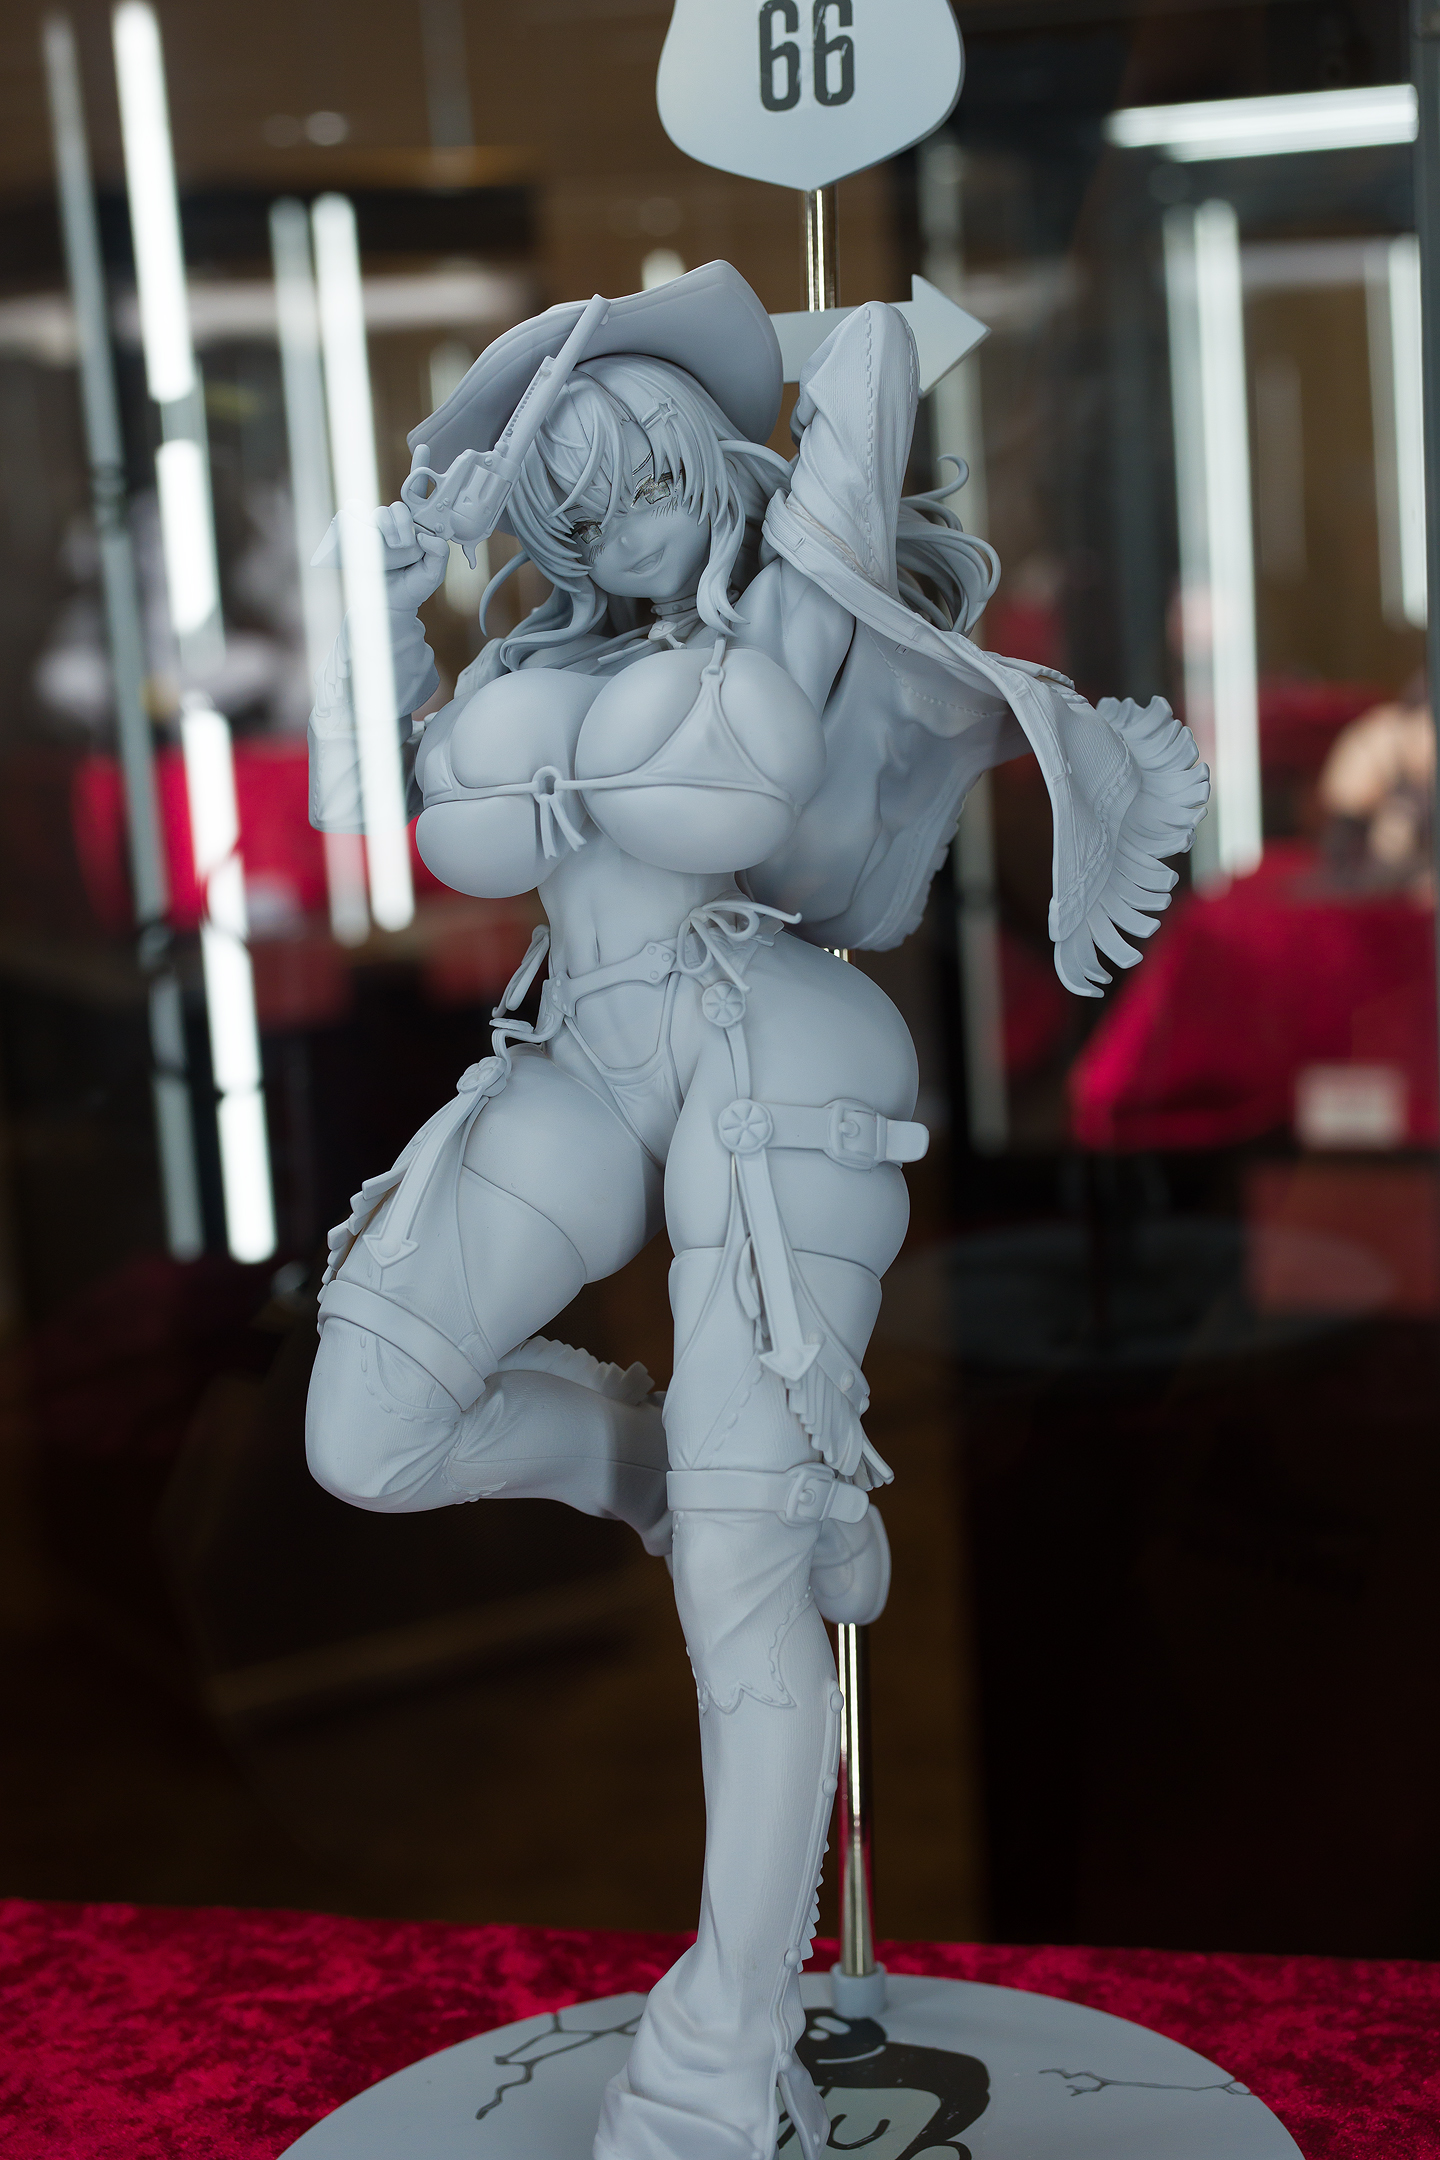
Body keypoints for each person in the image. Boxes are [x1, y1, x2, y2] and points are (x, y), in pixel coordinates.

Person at [305, 262, 1207, 2160]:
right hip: (575, 1056)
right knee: (364, 1434)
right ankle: (698, 1467)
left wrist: (718, 350)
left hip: (763, 1048)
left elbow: (871, 352)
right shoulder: (526, 673)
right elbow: (377, 801)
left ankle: (723, 2035)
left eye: (647, 463)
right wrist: (390, 590)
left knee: (738, 1581)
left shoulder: (795, 593)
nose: (618, 512)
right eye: (573, 492)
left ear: (713, 454)